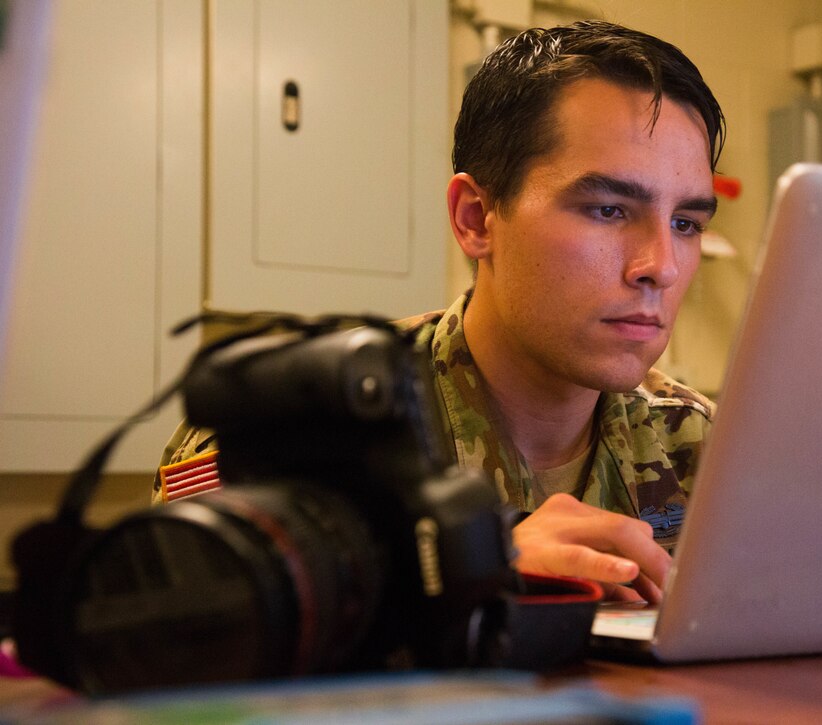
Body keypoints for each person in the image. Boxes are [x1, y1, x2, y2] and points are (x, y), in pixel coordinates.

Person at [155, 20, 726, 604]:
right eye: (608, 209)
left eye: (686, 224)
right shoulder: (295, 426)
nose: (663, 266)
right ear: (476, 218)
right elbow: (180, 644)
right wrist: (454, 576)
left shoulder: (704, 446)